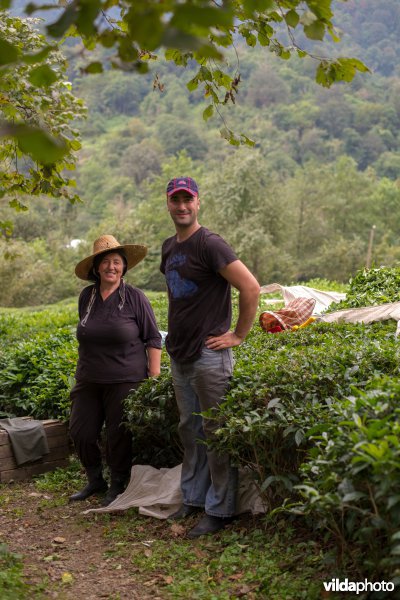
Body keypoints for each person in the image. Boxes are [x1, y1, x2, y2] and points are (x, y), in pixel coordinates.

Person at [160, 177, 260, 538]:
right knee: (191, 430)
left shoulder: (210, 243)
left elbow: (250, 287)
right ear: (168, 204)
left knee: (216, 432)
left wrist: (238, 334)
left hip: (208, 354)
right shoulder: (169, 247)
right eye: (176, 200)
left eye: (188, 200)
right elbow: (177, 297)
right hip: (179, 353)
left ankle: (220, 509)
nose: (182, 206)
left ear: (198, 203)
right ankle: (194, 497)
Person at [69, 235, 162, 506]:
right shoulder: (86, 297)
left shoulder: (135, 298)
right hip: (88, 378)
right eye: (106, 262)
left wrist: (153, 377)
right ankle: (95, 480)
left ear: (124, 267)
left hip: (125, 378)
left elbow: (153, 338)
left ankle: (118, 482)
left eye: (117, 262)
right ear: (96, 268)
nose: (112, 267)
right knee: (81, 432)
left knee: (118, 435)